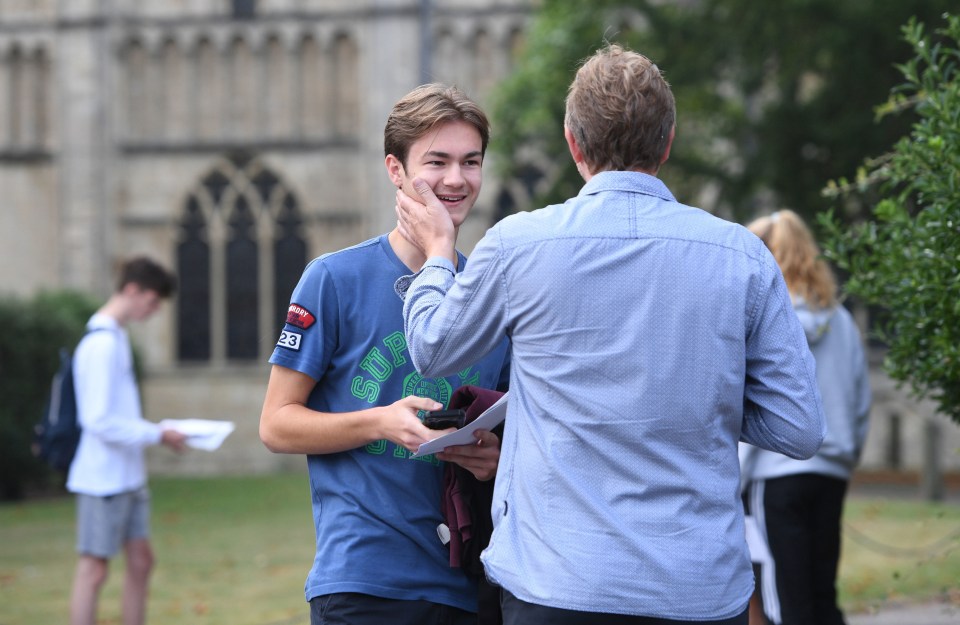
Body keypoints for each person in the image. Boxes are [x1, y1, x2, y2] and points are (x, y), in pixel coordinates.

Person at [394, 44, 826, 625]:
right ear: (667, 142)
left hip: (557, 585)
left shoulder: (520, 244)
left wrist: (438, 254)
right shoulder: (742, 256)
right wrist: (693, 391)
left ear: (574, 144)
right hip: (697, 591)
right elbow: (799, 427)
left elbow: (432, 349)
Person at [258, 83, 511, 625]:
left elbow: (517, 439)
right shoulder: (333, 279)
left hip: (469, 587)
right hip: (363, 584)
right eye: (436, 161)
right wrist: (381, 422)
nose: (455, 179)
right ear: (395, 170)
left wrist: (492, 460)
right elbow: (276, 425)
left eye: (471, 162)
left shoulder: (492, 293)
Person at [740, 209, 871, 625]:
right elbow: (859, 398)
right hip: (830, 470)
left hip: (773, 473)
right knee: (820, 592)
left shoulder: (761, 320)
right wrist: (846, 455)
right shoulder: (843, 321)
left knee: (782, 599)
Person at [67, 256, 187, 625]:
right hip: (102, 478)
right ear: (132, 290)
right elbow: (97, 420)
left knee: (141, 561)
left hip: (128, 475)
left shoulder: (116, 339)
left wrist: (153, 432)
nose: (153, 311)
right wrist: (157, 433)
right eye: (152, 302)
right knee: (94, 569)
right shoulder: (100, 344)